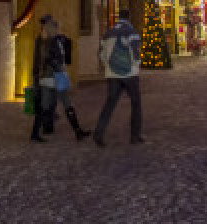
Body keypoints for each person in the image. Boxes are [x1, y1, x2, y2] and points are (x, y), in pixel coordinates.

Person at [30, 15, 90, 142]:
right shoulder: (50, 40)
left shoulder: (47, 39)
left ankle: (35, 134)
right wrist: (57, 66)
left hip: (50, 76)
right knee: (62, 104)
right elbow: (49, 58)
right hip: (55, 75)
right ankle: (77, 131)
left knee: (48, 106)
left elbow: (42, 60)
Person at [93, 8, 143, 147]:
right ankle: (135, 135)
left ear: (118, 17)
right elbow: (135, 51)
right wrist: (137, 64)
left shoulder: (108, 33)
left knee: (109, 104)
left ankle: (98, 132)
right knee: (136, 103)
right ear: (129, 17)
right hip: (130, 74)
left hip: (112, 74)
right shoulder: (131, 32)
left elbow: (101, 53)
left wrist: (107, 65)